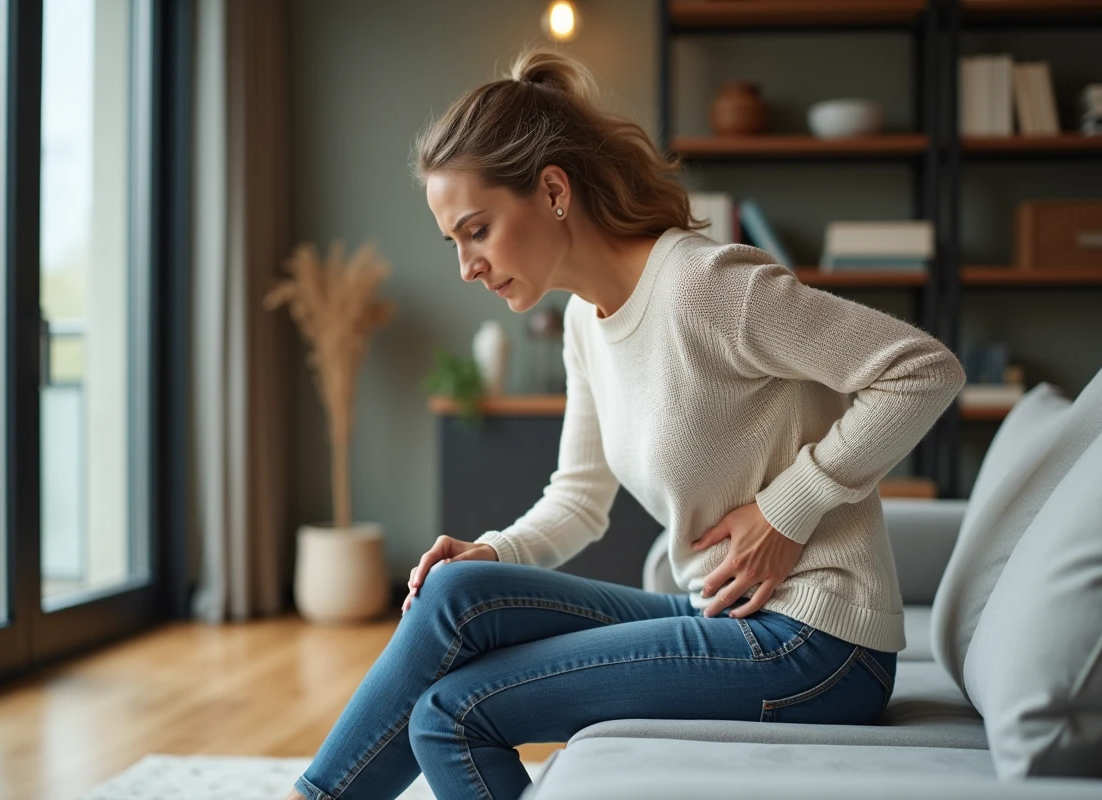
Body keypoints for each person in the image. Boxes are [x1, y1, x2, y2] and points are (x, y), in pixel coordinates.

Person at [287, 46, 967, 800]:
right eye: (454, 242)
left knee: (449, 714)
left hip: (818, 647)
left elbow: (923, 369)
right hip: (725, 614)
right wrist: (492, 549)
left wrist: (789, 510)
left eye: (477, 230)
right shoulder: (585, 320)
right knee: (457, 590)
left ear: (551, 191)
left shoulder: (705, 288)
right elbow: (580, 497)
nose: (466, 267)